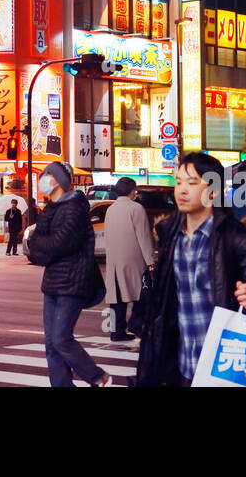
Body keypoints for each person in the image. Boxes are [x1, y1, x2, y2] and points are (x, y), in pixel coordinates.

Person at [135, 152, 246, 387]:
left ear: (215, 191)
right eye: (178, 182)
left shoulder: (237, 238)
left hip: (224, 364)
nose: (181, 190)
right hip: (180, 363)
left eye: (192, 183)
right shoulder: (169, 235)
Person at [26, 161, 112, 386]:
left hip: (73, 282)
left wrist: (42, 247)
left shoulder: (75, 209)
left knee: (61, 338)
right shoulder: (51, 208)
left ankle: (97, 376)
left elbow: (59, 244)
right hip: (53, 282)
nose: (43, 177)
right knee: (51, 342)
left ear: (58, 181)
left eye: (47, 174)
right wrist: (42, 247)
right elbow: (34, 244)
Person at [104, 177, 154, 342]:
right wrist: (150, 260)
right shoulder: (136, 208)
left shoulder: (110, 209)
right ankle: (135, 324)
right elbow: (144, 237)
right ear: (133, 191)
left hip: (114, 259)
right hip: (133, 258)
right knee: (141, 293)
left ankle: (116, 331)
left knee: (116, 296)